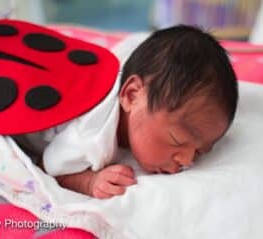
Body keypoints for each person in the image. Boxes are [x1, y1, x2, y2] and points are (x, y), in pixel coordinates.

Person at [12, 25, 238, 199]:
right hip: (18, 102)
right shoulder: (91, 133)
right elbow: (49, 165)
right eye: (177, 140)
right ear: (131, 95)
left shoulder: (143, 95)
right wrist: (89, 182)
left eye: (199, 152)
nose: (186, 160)